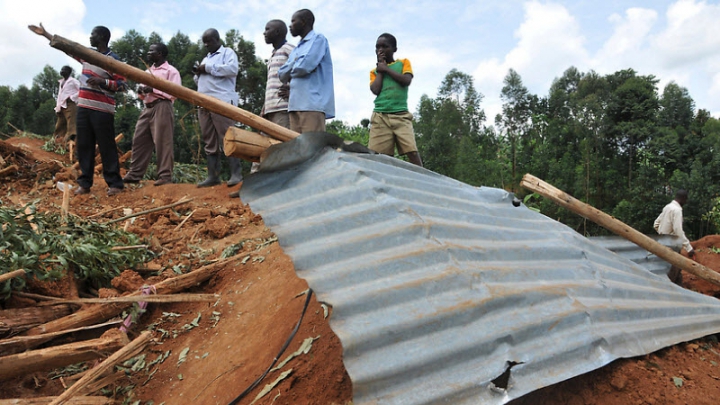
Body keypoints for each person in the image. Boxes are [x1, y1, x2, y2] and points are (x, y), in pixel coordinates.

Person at [74, 26, 127, 196]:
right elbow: (69, 49)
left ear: (102, 37)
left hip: (102, 109)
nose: (90, 37)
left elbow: (122, 85)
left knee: (106, 146)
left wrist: (103, 82)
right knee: (83, 146)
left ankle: (115, 184)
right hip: (83, 107)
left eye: (93, 34)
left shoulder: (113, 60)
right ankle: (84, 183)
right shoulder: (87, 54)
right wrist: (46, 35)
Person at [123, 43, 181, 186]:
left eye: (151, 51)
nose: (148, 53)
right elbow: (142, 94)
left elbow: (175, 92)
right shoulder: (147, 71)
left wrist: (154, 90)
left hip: (162, 105)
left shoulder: (171, 71)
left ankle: (165, 175)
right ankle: (135, 174)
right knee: (139, 139)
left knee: (162, 141)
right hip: (147, 107)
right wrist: (142, 91)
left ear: (160, 53)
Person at [194, 28, 243, 188]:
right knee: (209, 139)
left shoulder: (227, 53)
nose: (207, 44)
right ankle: (213, 176)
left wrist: (207, 68)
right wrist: (198, 72)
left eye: (209, 41)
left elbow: (232, 69)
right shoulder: (205, 58)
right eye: (204, 42)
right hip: (204, 102)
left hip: (221, 101)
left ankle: (236, 174)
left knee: (227, 136)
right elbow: (199, 80)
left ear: (217, 39)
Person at [368, 33, 422, 167]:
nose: (380, 50)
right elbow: (375, 90)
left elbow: (406, 81)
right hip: (380, 117)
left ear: (394, 49)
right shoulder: (374, 72)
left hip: (401, 116)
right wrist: (380, 69)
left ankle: (425, 179)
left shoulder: (403, 63)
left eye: (384, 46)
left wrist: (386, 69)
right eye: (377, 47)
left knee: (412, 152)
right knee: (377, 156)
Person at [278, 9, 334, 133]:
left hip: (311, 105)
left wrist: (291, 68)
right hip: (294, 106)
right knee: (298, 149)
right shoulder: (297, 48)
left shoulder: (318, 39)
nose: (290, 25)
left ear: (303, 22)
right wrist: (296, 62)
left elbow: (304, 66)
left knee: (314, 149)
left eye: (293, 21)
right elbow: (281, 75)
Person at [654, 189, 695, 284]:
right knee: (672, 272)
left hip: (661, 243)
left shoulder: (667, 207)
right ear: (683, 199)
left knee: (671, 272)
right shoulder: (677, 210)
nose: (686, 202)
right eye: (686, 200)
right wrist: (689, 248)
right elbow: (678, 231)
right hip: (672, 246)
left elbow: (656, 224)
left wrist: (662, 234)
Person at [53, 65, 80, 144]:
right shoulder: (61, 82)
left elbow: (82, 89)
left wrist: (72, 97)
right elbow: (59, 95)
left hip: (70, 104)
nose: (62, 71)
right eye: (61, 69)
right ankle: (57, 140)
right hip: (62, 105)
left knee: (71, 123)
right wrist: (57, 107)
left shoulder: (73, 81)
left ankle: (71, 140)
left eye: (64, 70)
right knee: (60, 123)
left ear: (69, 72)